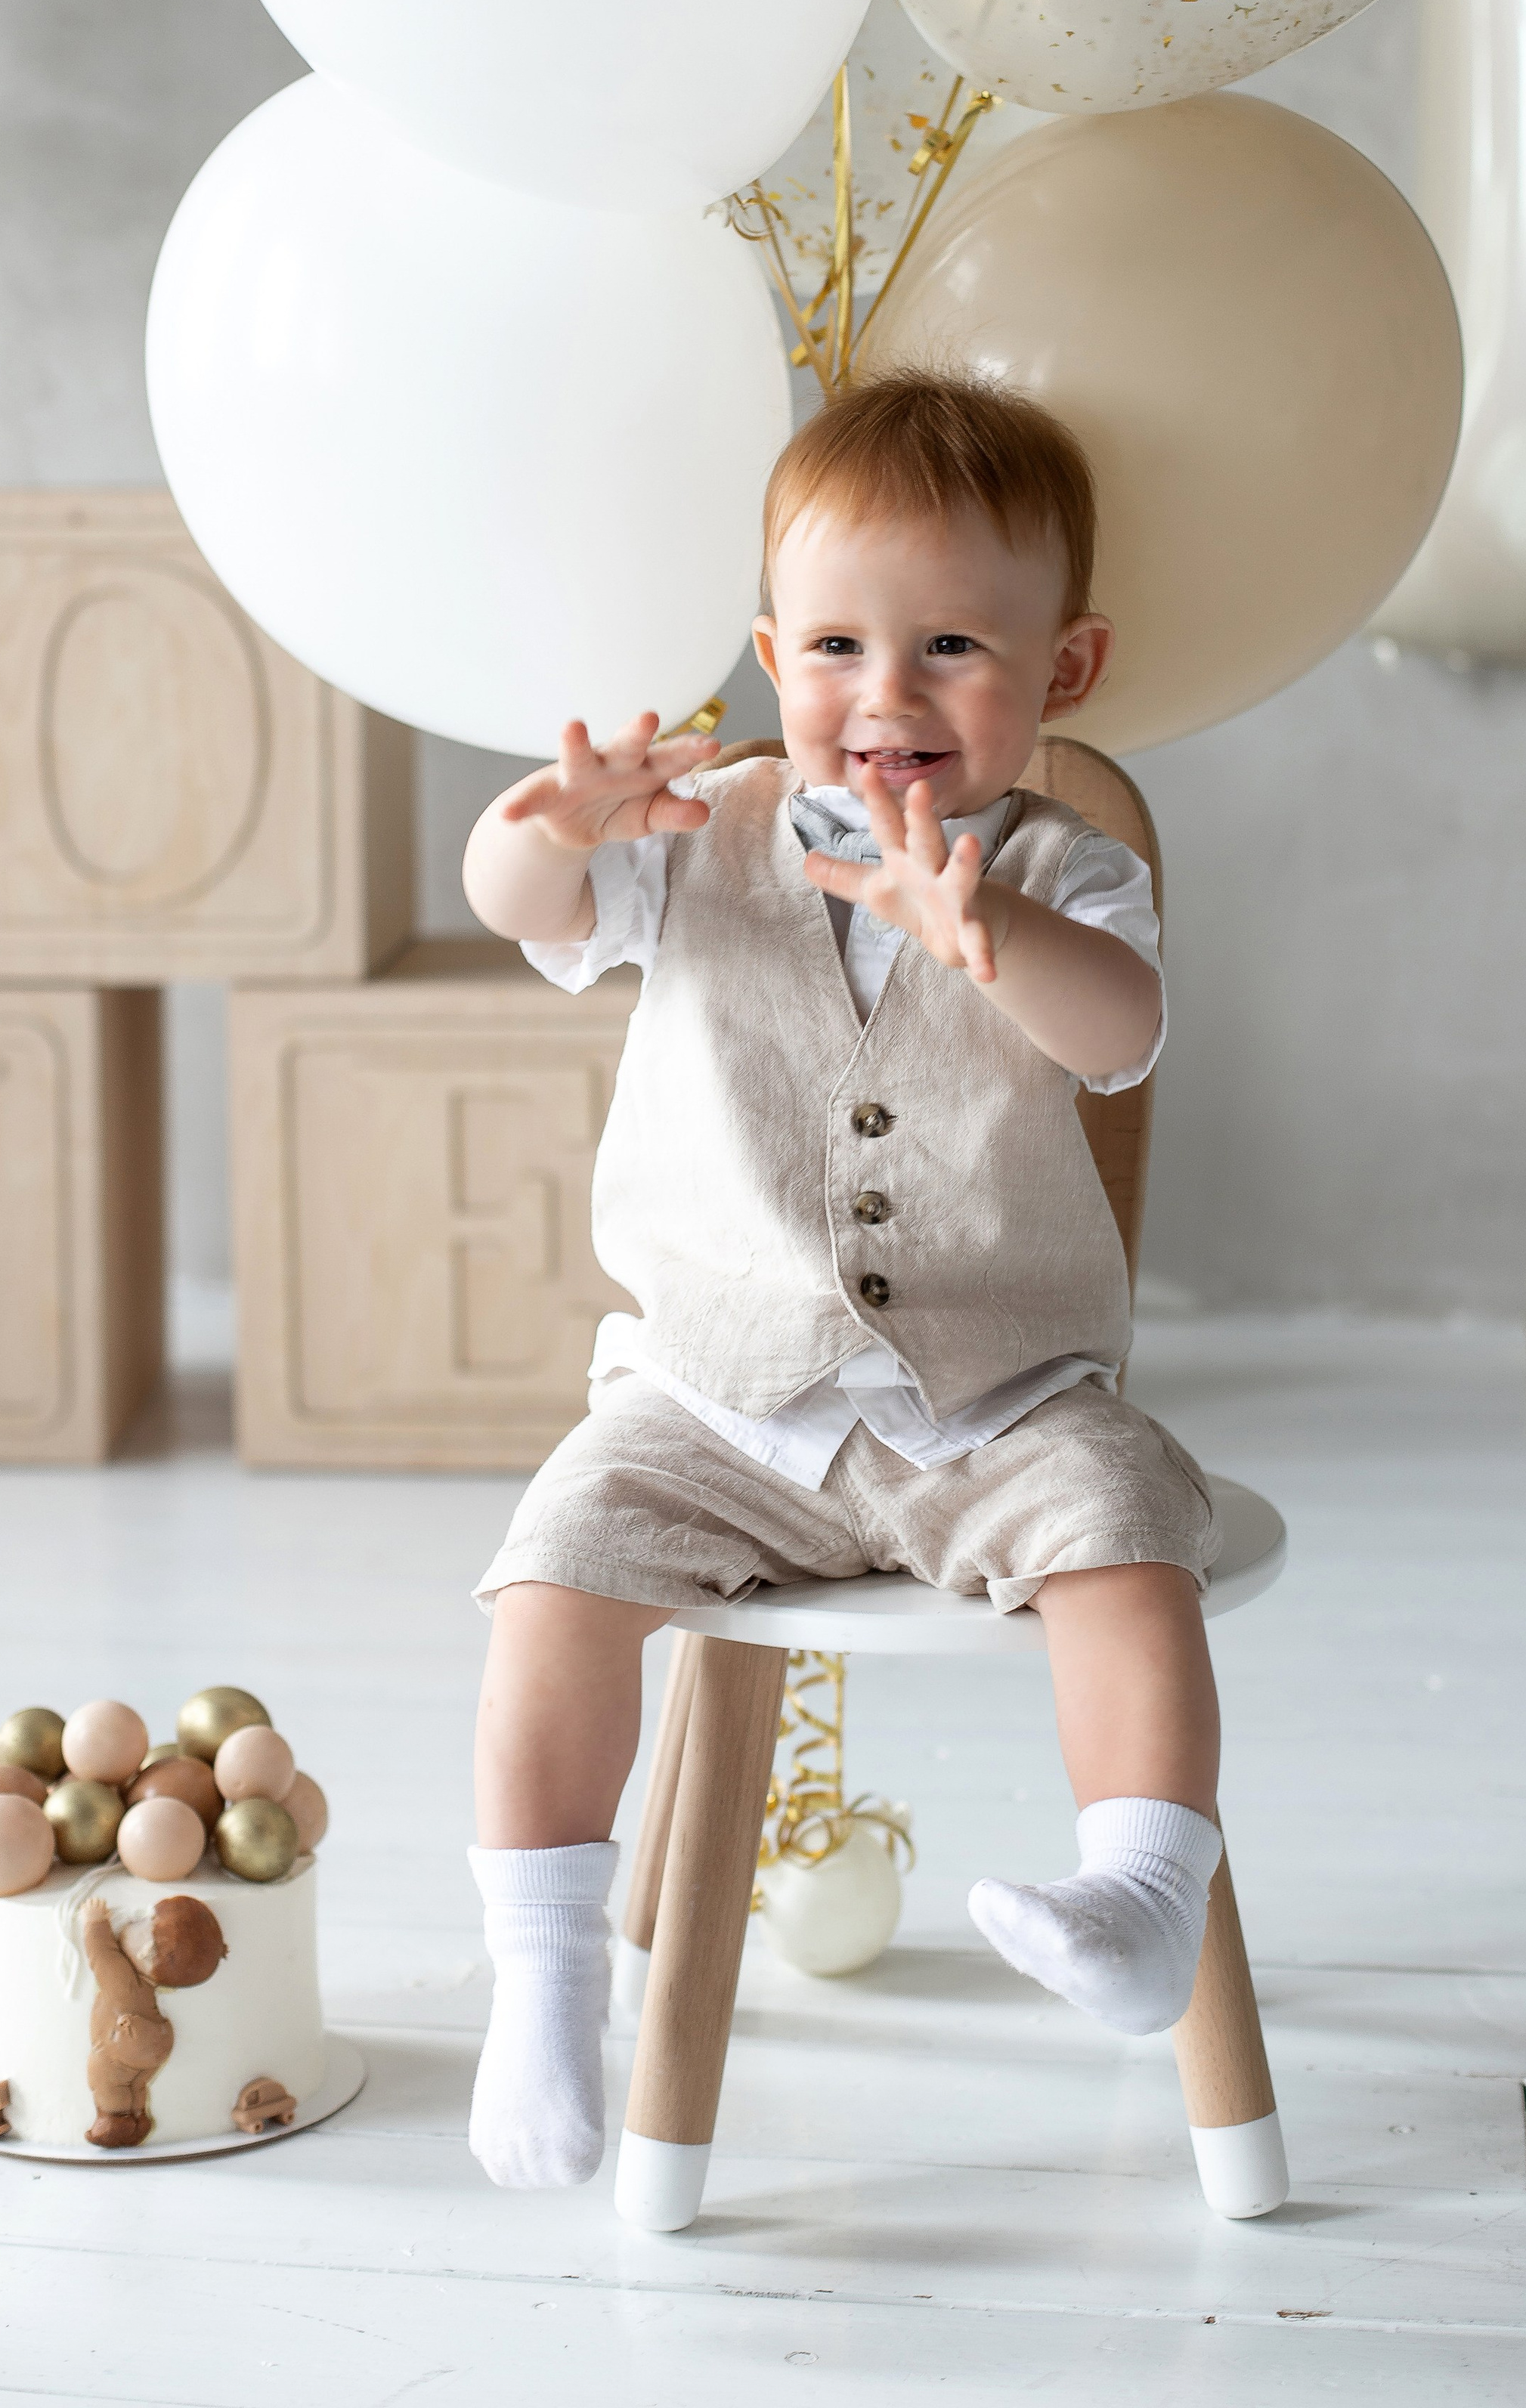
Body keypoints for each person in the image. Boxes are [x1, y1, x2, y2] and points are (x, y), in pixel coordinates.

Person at [459, 369, 1221, 2191]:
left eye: (953, 644)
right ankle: (546, 1983)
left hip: (996, 1396)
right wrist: (545, 827)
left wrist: (993, 933)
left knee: (1126, 1544)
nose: (883, 698)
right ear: (765, 656)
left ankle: (1136, 1893)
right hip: (711, 1398)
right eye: (833, 647)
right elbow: (521, 912)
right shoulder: (695, 834)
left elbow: (1121, 1032)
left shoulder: (1066, 868)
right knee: (550, 1590)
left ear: (1064, 670)